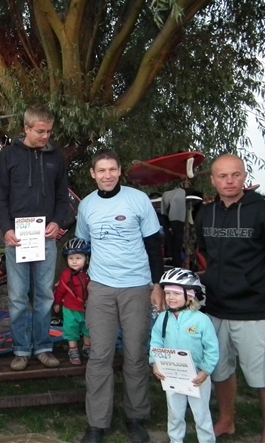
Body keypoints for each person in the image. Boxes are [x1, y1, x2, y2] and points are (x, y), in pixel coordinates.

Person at [194, 154, 265, 443]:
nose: (229, 181)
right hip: (215, 308)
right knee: (220, 371)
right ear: (213, 180)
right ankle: (227, 421)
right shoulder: (206, 214)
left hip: (253, 310)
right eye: (222, 176)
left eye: (235, 175)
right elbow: (206, 253)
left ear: (244, 177)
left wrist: (264, 290)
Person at [75, 149, 165, 443]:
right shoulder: (87, 205)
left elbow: (154, 246)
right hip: (101, 289)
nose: (107, 175)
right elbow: (82, 246)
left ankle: (136, 417)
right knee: (99, 356)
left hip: (137, 287)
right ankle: (97, 423)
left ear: (120, 170)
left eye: (112, 169)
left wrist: (157, 285)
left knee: (136, 354)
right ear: (93, 174)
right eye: (101, 170)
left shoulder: (138, 200)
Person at [0, 105, 70, 371]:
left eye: (49, 131)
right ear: (26, 129)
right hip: (17, 238)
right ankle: (20, 349)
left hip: (46, 238)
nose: (45, 136)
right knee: (17, 297)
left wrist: (57, 222)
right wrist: (6, 229)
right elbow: (0, 199)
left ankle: (43, 347)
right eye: (40, 131)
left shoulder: (56, 158)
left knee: (44, 296)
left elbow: (63, 198)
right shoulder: (8, 156)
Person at [150, 268, 219, 443]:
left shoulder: (202, 320)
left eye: (176, 293)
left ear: (190, 295)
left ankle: (207, 440)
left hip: (197, 376)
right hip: (172, 375)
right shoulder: (163, 318)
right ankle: (175, 440)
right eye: (167, 293)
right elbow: (156, 341)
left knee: (201, 414)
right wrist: (155, 362)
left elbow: (212, 348)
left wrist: (205, 371)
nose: (170, 297)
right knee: (174, 413)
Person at [53, 238, 92, 365]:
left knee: (88, 328)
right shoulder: (66, 274)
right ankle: (73, 349)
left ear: (86, 258)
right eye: (71, 258)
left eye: (78, 258)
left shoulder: (91, 273)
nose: (74, 261)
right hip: (70, 308)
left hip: (87, 308)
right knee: (71, 329)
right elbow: (61, 289)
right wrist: (57, 302)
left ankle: (87, 347)